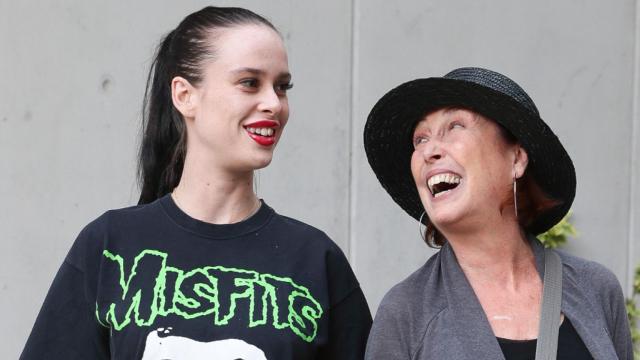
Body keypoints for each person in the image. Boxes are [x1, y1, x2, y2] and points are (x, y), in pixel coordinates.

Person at [20, 6, 371, 359]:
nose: (273, 104)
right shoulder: (110, 245)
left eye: (282, 87)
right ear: (185, 95)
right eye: (250, 82)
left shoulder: (315, 259)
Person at [363, 67, 632, 359]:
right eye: (420, 139)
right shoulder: (406, 313)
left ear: (516, 158)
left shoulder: (596, 289)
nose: (429, 151)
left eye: (454, 126)